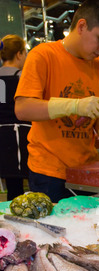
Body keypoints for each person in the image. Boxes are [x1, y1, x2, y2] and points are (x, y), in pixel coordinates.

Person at [15, 0, 99, 203]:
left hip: (88, 171)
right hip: (49, 173)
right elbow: (23, 108)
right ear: (82, 26)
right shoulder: (43, 55)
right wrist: (74, 105)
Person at [0, 34, 30, 201]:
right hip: (23, 138)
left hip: (3, 140)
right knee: (33, 182)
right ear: (19, 54)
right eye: (25, 53)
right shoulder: (22, 79)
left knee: (13, 188)